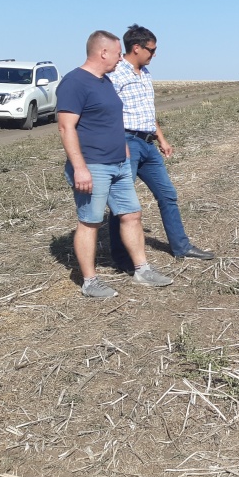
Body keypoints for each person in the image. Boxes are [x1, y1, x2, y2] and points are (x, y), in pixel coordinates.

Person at [57, 30, 174, 298]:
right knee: (90, 222)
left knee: (132, 215)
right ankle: (90, 281)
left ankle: (142, 269)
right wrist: (80, 167)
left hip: (119, 162)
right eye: (118, 53)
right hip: (93, 165)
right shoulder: (75, 82)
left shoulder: (104, 82)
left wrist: (123, 150)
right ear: (103, 53)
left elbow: (113, 119)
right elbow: (66, 128)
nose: (121, 58)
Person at [108, 24, 215, 271]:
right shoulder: (115, 74)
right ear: (137, 48)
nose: (154, 55)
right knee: (123, 203)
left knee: (167, 194)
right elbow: (107, 113)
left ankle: (181, 247)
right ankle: (121, 258)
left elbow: (147, 111)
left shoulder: (145, 73)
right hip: (126, 143)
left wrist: (161, 138)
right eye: (151, 50)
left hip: (147, 144)